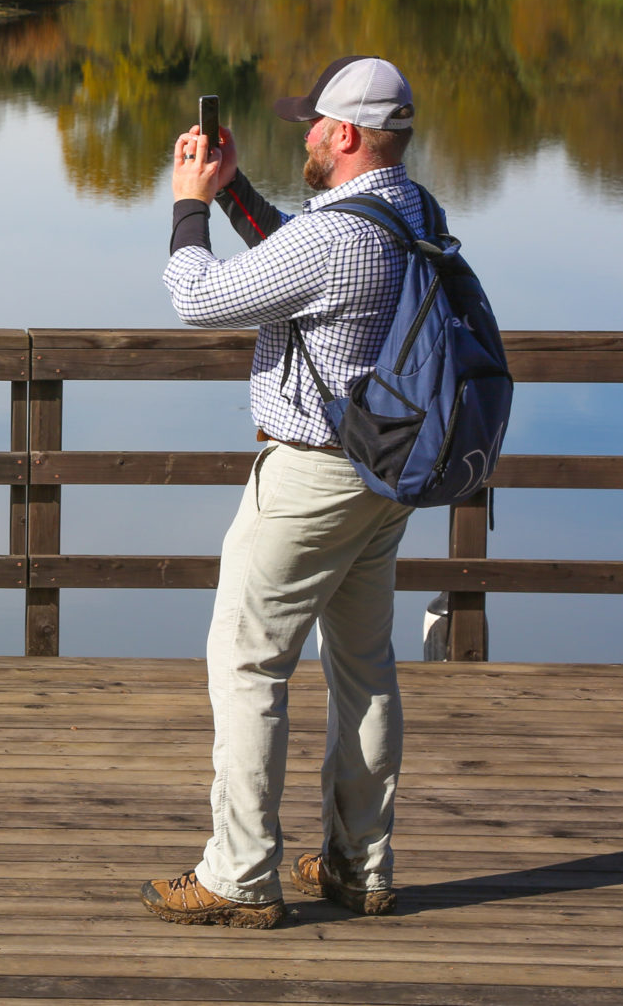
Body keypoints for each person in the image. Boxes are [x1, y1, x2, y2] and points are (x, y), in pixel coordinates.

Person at [142, 56, 424, 929]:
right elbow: (293, 254)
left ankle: (238, 875)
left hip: (311, 475)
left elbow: (199, 296)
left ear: (344, 135)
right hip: (385, 469)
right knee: (364, 669)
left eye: (313, 121)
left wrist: (190, 202)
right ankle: (359, 865)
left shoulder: (336, 235)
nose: (302, 130)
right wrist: (236, 194)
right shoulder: (408, 211)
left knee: (248, 661)